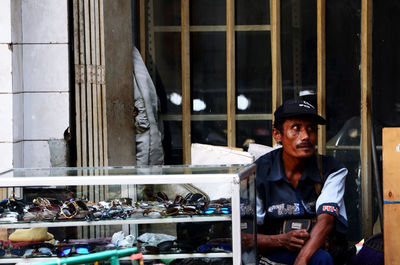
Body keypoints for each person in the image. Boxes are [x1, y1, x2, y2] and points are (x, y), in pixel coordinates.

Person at [255, 99, 348, 265]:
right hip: (272, 251)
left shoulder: (331, 169)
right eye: (296, 128)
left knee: (322, 259)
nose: (306, 136)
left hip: (315, 251)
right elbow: (243, 235)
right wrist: (281, 240)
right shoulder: (259, 172)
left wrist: (302, 259)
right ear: (277, 135)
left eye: (311, 129)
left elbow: (326, 220)